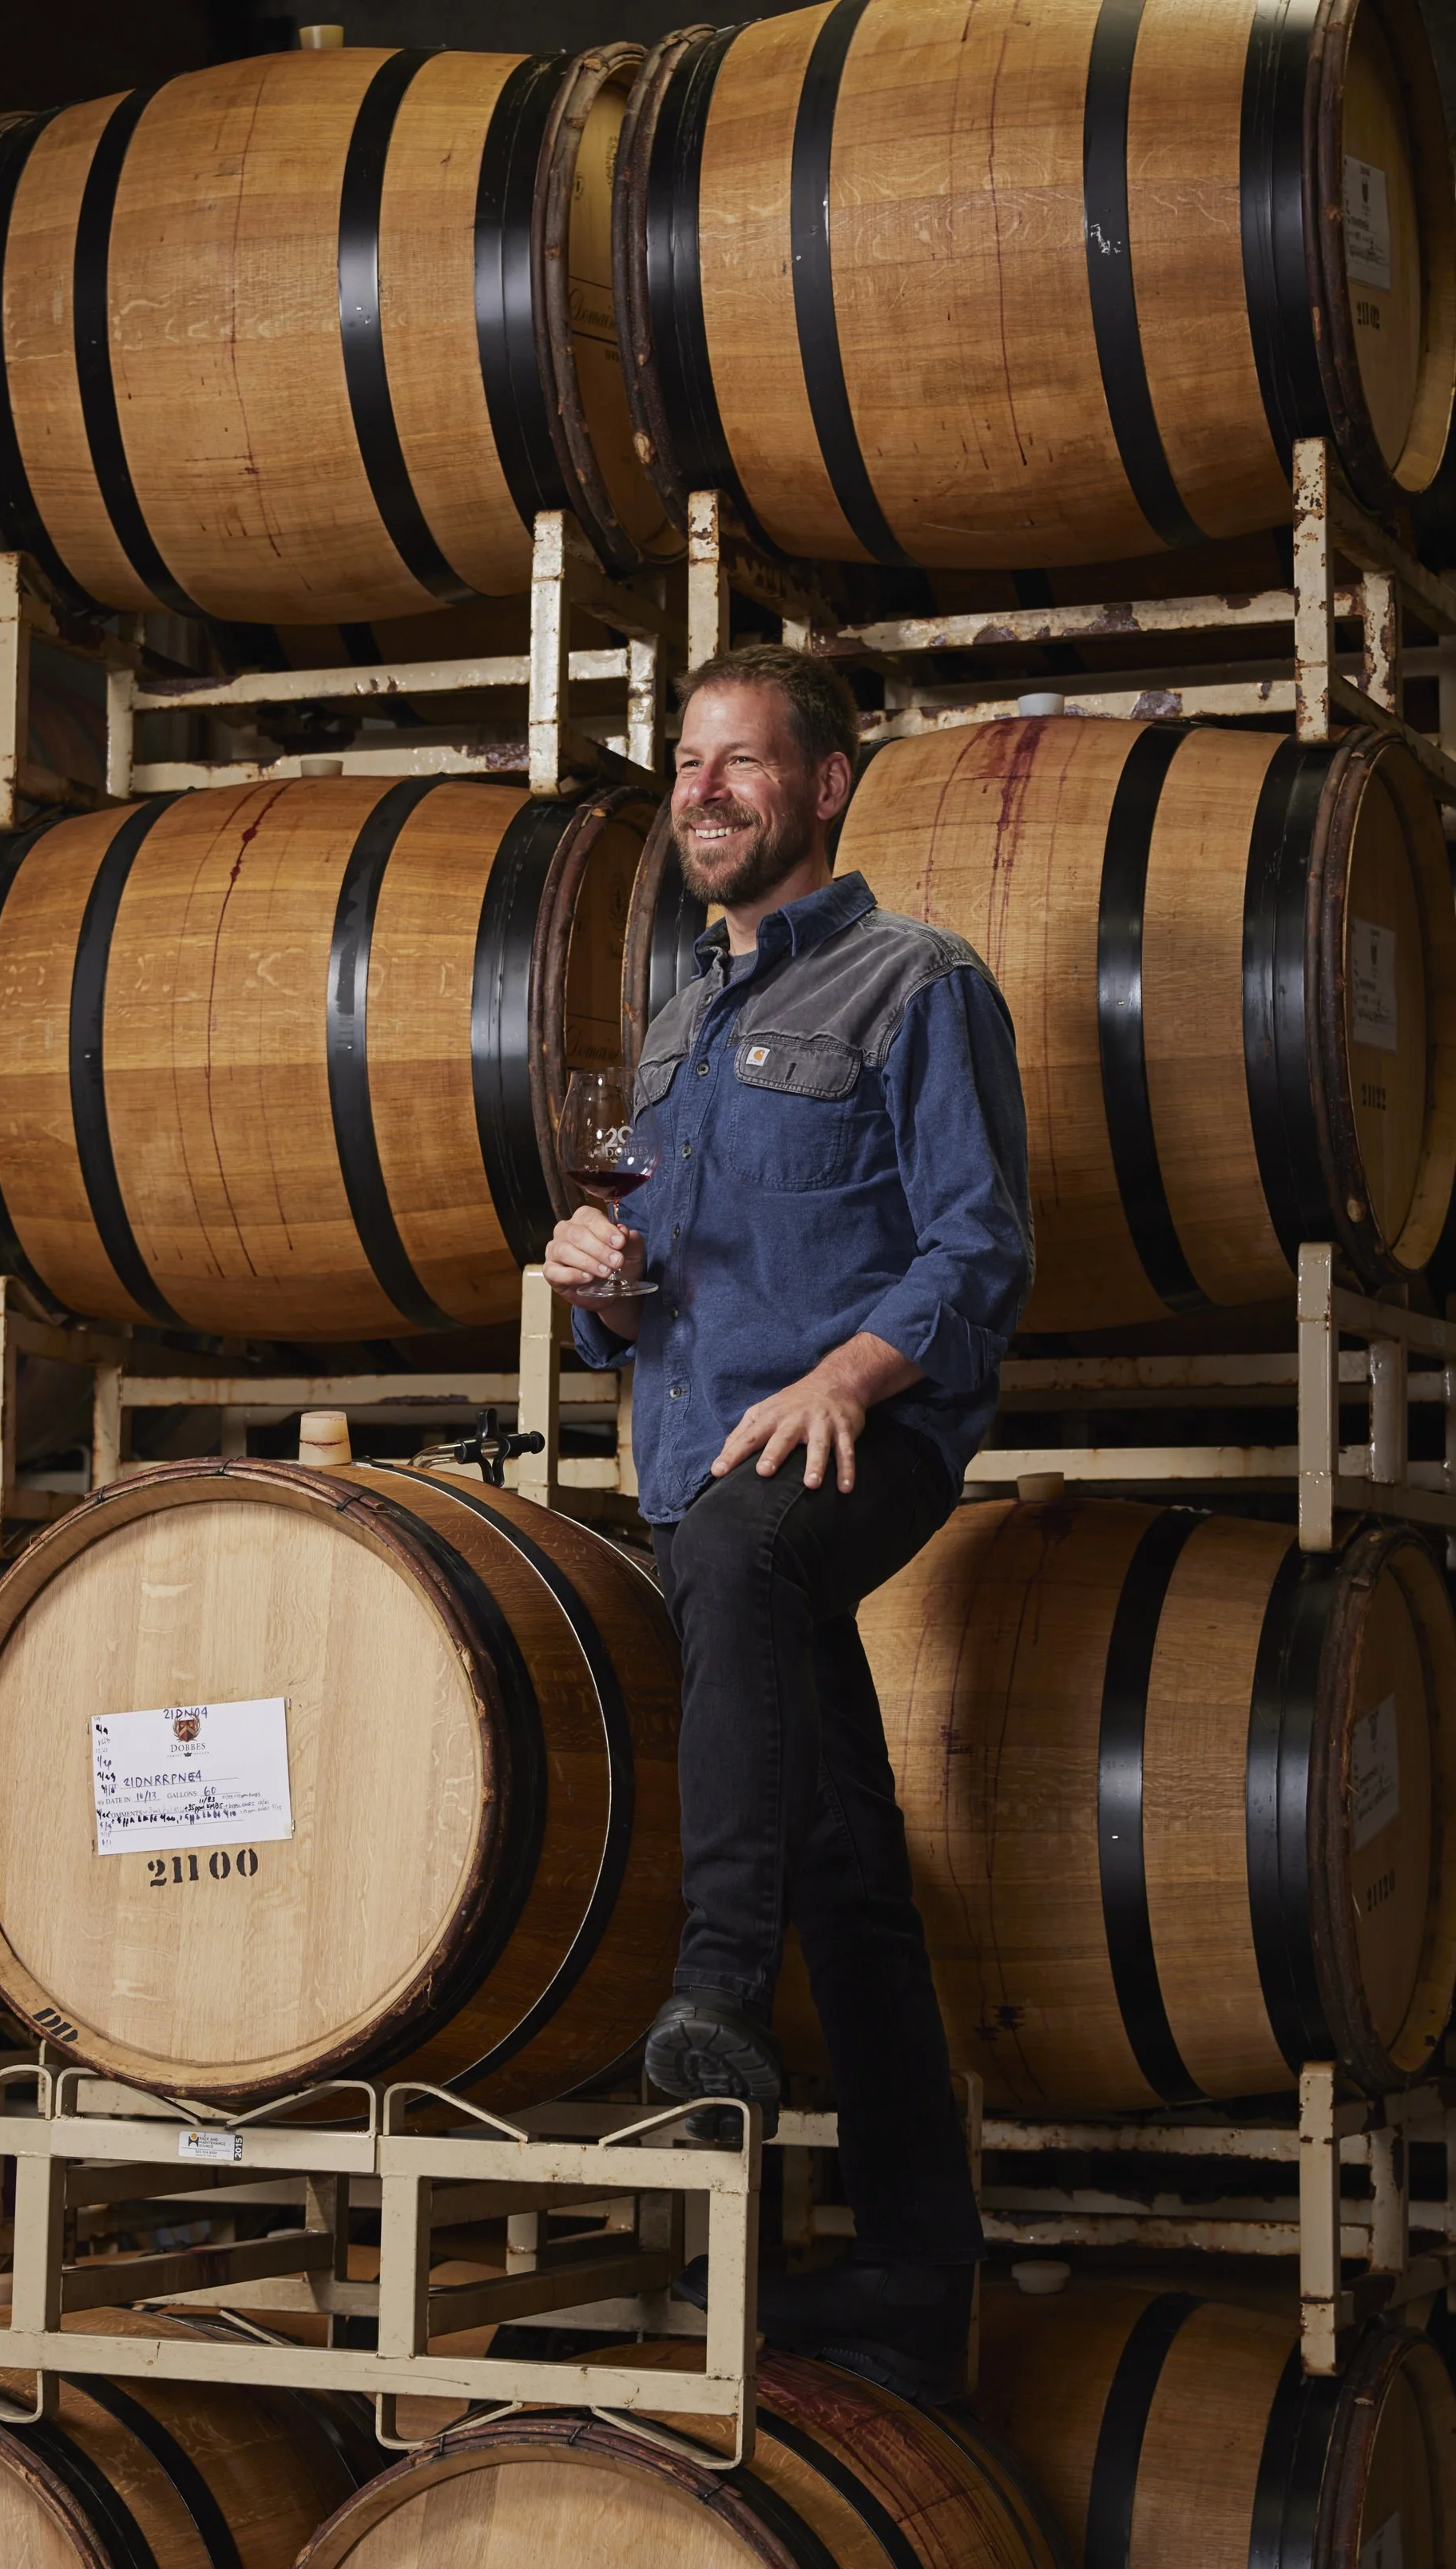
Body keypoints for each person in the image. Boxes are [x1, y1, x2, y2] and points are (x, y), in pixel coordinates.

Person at [543, 645, 1031, 2404]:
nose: (701, 792)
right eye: (685, 764)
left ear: (822, 786)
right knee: (849, 1864)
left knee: (753, 1547)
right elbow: (647, 1287)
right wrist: (589, 1278)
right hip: (696, 1475)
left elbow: (977, 1245)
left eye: (740, 765)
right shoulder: (668, 1032)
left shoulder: (916, 984)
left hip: (853, 1441)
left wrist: (846, 1374)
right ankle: (911, 2270)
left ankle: (716, 1994)